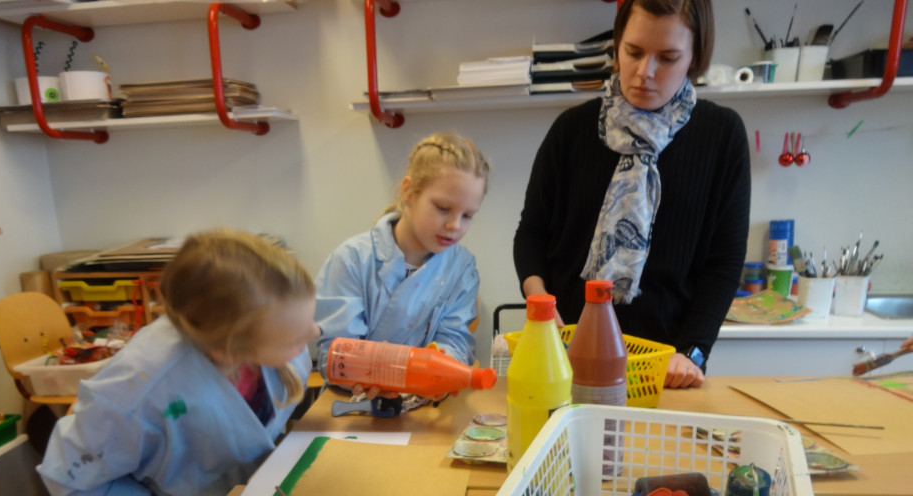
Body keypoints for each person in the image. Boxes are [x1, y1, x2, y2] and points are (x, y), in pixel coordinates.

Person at [37, 229, 319, 496]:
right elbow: (70, 478)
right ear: (228, 350)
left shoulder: (267, 338)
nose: (315, 334)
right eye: (296, 338)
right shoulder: (138, 390)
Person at [513, 0, 750, 389]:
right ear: (617, 43)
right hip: (566, 358)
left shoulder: (722, 136)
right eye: (633, 52)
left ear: (695, 56)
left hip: (664, 369)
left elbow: (724, 262)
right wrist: (539, 303)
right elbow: (532, 232)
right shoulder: (571, 130)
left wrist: (692, 352)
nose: (645, 72)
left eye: (668, 57)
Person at [314, 131, 489, 390]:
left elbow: (456, 340)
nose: (455, 225)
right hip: (353, 402)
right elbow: (336, 354)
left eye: (467, 216)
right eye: (443, 208)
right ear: (409, 192)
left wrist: (446, 363)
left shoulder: (461, 268)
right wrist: (371, 375)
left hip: (425, 401)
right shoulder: (351, 259)